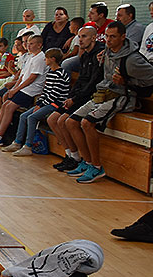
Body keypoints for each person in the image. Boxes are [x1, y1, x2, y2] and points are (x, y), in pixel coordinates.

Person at [64, 21, 153, 183]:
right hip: (103, 93)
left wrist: (126, 82)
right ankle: (87, 162)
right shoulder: (106, 51)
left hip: (122, 96)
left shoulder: (132, 59)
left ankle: (97, 167)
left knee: (86, 123)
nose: (109, 40)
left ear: (123, 37)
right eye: (106, 36)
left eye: (113, 37)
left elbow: (149, 79)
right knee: (70, 122)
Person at [50, 27, 102, 172]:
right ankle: (71, 155)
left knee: (65, 121)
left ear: (93, 38)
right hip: (78, 95)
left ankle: (82, 159)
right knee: (52, 119)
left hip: (89, 96)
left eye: (84, 36)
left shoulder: (99, 55)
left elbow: (93, 83)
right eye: (79, 37)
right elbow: (80, 80)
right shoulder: (84, 56)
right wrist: (70, 97)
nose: (80, 40)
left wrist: (75, 99)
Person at [2, 48, 69, 156]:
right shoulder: (50, 73)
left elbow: (55, 94)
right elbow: (45, 92)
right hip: (45, 102)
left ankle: (28, 146)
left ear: (52, 59)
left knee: (32, 118)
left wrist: (41, 105)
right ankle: (17, 143)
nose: (45, 60)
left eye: (46, 58)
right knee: (23, 116)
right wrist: (39, 104)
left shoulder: (60, 73)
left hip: (55, 104)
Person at [0, 34, 48, 146]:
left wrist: (16, 90)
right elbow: (22, 76)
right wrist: (14, 89)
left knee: (9, 107)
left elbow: (31, 78)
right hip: (24, 88)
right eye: (27, 43)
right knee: (5, 105)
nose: (28, 46)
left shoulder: (40, 58)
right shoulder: (31, 57)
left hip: (31, 90)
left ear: (39, 45)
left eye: (31, 44)